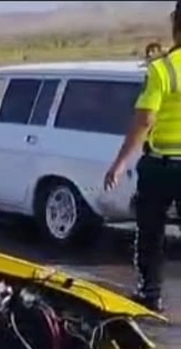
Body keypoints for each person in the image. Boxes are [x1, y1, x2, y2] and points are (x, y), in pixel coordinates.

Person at [104, 3, 181, 313]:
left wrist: (120, 163)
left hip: (161, 165)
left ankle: (150, 293)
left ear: (175, 24)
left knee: (151, 231)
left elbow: (145, 120)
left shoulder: (163, 69)